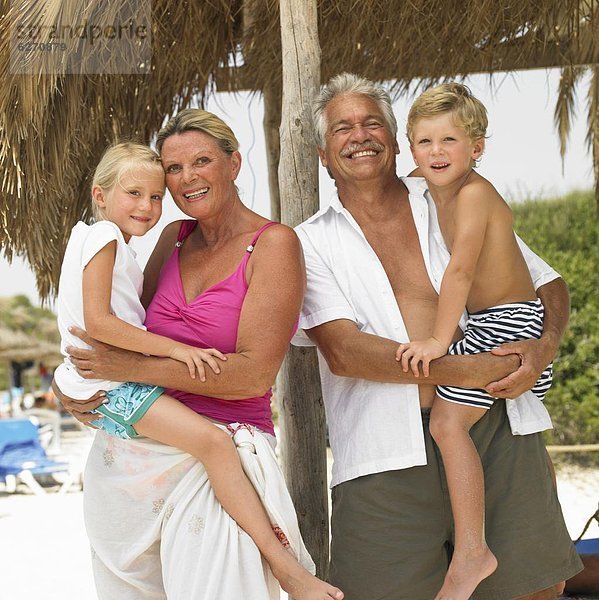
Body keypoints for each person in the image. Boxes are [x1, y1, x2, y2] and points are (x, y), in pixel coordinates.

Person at [293, 73, 582, 600]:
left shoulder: (448, 193)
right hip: (384, 449)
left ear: (393, 137)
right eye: (342, 128)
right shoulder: (308, 242)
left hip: (495, 421)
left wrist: (542, 350)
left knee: (533, 589)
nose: (359, 135)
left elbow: (547, 284)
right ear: (321, 151)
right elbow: (344, 351)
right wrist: (470, 369)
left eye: (371, 122)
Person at [53, 114, 343, 600]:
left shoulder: (273, 245)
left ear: (234, 163)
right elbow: (116, 330)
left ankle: (290, 570)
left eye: (202, 161)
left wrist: (126, 369)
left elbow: (252, 375)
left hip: (221, 446)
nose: (186, 177)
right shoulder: (172, 240)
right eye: (173, 167)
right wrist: (68, 383)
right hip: (135, 452)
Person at [393, 83, 555, 599]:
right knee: (457, 427)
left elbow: (460, 271)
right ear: (410, 148)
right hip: (502, 319)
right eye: (424, 142)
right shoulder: (436, 182)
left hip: (508, 322)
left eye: (449, 141)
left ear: (477, 148)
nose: (436, 152)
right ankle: (475, 548)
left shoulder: (474, 194)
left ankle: (472, 554)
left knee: (446, 422)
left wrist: (439, 340)